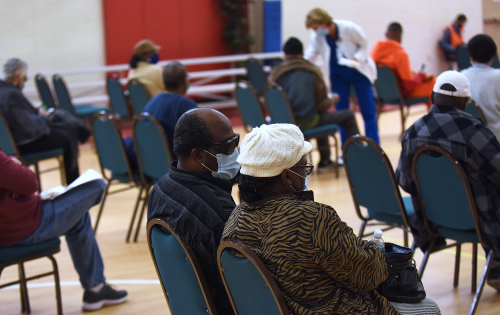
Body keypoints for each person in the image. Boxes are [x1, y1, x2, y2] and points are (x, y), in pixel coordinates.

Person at [0, 73, 128, 311]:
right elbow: (29, 183)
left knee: (77, 216)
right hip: (17, 229)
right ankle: (95, 289)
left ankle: (96, 290)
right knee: (96, 184)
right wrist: (13, 167)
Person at [222, 123, 401, 314]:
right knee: (427, 307)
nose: (306, 174)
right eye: (304, 167)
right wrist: (376, 250)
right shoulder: (312, 219)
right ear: (287, 177)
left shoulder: (234, 223)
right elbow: (367, 277)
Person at [395, 70, 500, 290]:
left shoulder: (412, 133)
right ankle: (496, 263)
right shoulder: (474, 131)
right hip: (481, 220)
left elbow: (404, 181)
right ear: (464, 103)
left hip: (433, 219)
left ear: (432, 98)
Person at [147, 108, 239, 315]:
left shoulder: (160, 188)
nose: (236, 152)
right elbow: (248, 284)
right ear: (198, 155)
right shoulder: (219, 214)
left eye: (236, 141)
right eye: (228, 146)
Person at [0, 58, 89, 185]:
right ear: (17, 76)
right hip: (23, 144)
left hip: (9, 145)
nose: (24, 82)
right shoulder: (12, 93)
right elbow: (33, 127)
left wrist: (37, 115)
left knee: (64, 126)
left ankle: (81, 133)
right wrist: (43, 116)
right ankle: (73, 184)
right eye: (25, 78)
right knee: (68, 135)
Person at [269, 37, 359, 170]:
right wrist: (333, 99)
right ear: (302, 53)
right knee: (347, 116)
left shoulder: (274, 75)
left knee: (318, 114)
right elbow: (322, 104)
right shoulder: (312, 71)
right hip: (307, 122)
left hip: (283, 124)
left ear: (285, 55)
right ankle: (356, 158)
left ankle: (326, 159)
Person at [304, 7, 379, 144]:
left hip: (359, 72)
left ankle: (374, 146)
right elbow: (310, 54)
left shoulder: (349, 28)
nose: (315, 32)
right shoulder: (317, 36)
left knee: (368, 112)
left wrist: (356, 58)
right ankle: (348, 149)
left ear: (324, 21)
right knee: (342, 114)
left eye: (316, 28)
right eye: (313, 30)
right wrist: (301, 66)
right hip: (338, 76)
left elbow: (364, 45)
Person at [123, 61, 197, 169]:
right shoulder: (186, 105)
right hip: (170, 165)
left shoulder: (153, 100)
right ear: (184, 81)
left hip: (146, 163)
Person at [371, 22, 436, 109]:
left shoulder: (375, 52)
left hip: (382, 94)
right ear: (400, 35)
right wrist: (420, 75)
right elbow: (409, 86)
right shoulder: (400, 54)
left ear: (386, 34)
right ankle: (435, 118)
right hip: (401, 94)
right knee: (434, 84)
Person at [461, 34, 500, 139]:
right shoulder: (497, 77)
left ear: (470, 55)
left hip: (467, 141)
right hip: (495, 140)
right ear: (493, 55)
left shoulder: (461, 77)